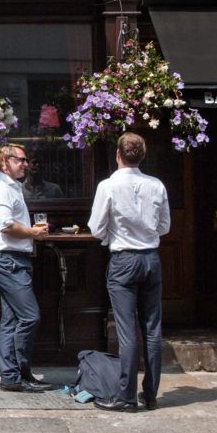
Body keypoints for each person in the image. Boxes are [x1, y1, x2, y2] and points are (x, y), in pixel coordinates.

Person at [87, 132, 170, 412]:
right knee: (152, 329)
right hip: (151, 259)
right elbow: (165, 227)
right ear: (142, 156)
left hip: (123, 259)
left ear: (118, 155)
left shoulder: (108, 185)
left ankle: (126, 396)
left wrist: (114, 232)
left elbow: (96, 228)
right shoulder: (156, 185)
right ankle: (151, 395)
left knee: (127, 332)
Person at [0, 142, 53, 393]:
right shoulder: (2, 189)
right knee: (29, 316)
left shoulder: (12, 187)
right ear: (5, 162)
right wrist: (33, 232)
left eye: (25, 160)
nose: (25, 164)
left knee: (12, 320)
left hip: (13, 259)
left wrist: (30, 233)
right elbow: (5, 225)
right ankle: (17, 372)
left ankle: (13, 377)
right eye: (20, 160)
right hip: (8, 260)